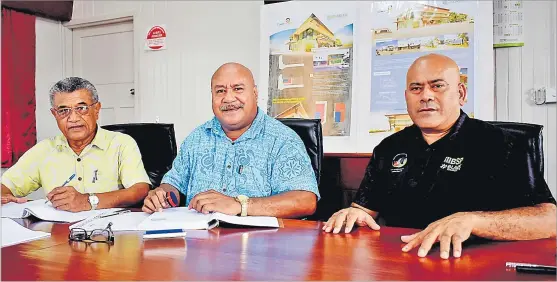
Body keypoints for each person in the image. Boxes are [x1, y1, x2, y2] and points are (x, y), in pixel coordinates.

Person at [323, 53, 556, 259]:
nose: (425, 96)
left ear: (461, 93)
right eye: (416, 88)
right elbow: (365, 209)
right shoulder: (389, 148)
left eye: (437, 86)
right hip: (404, 261)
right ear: (407, 97)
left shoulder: (502, 143)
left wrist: (473, 221)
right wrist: (354, 213)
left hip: (478, 264)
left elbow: (549, 220)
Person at [142, 62, 319, 218]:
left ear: (255, 93)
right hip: (201, 246)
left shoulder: (282, 140)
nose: (228, 98)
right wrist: (162, 195)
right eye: (220, 91)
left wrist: (239, 205)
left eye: (238, 89)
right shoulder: (196, 138)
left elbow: (305, 201)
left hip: (262, 248)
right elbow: (173, 185)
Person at [1, 77, 151, 212]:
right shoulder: (44, 150)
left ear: (97, 110)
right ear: (55, 115)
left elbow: (139, 190)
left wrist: (88, 200)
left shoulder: (121, 144)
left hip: (109, 233)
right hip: (59, 234)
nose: (73, 118)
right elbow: (5, 186)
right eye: (64, 111)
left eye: (81, 108)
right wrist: (5, 198)